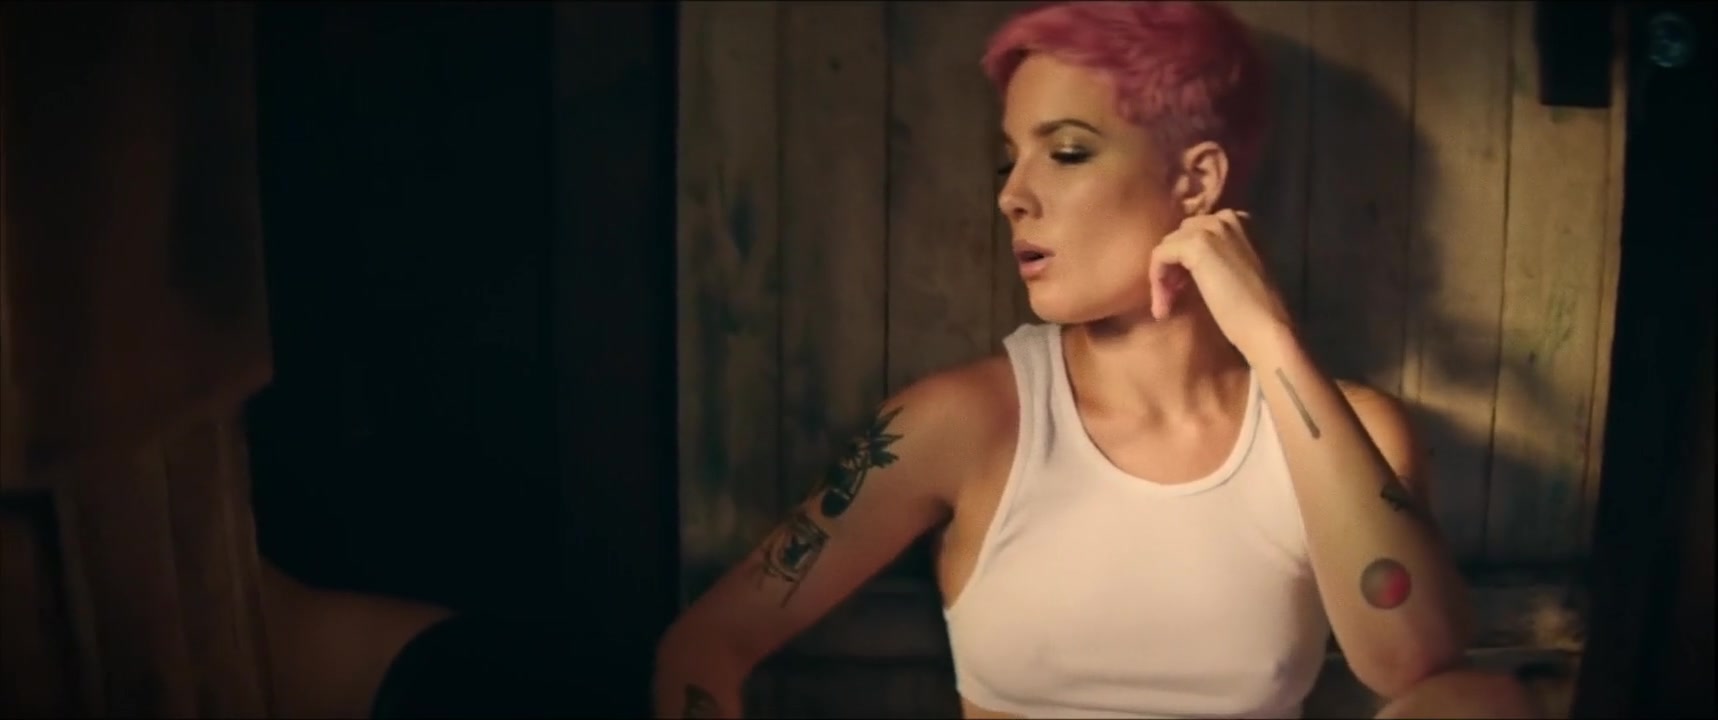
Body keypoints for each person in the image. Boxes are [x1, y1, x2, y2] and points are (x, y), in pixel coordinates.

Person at [654, 2, 1540, 718]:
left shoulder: (1349, 430)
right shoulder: (965, 424)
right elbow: (706, 645)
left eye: (1067, 152)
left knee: (1483, 705)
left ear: (1195, 181)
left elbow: (1415, 661)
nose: (1012, 196)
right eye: (1010, 160)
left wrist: (1271, 341)